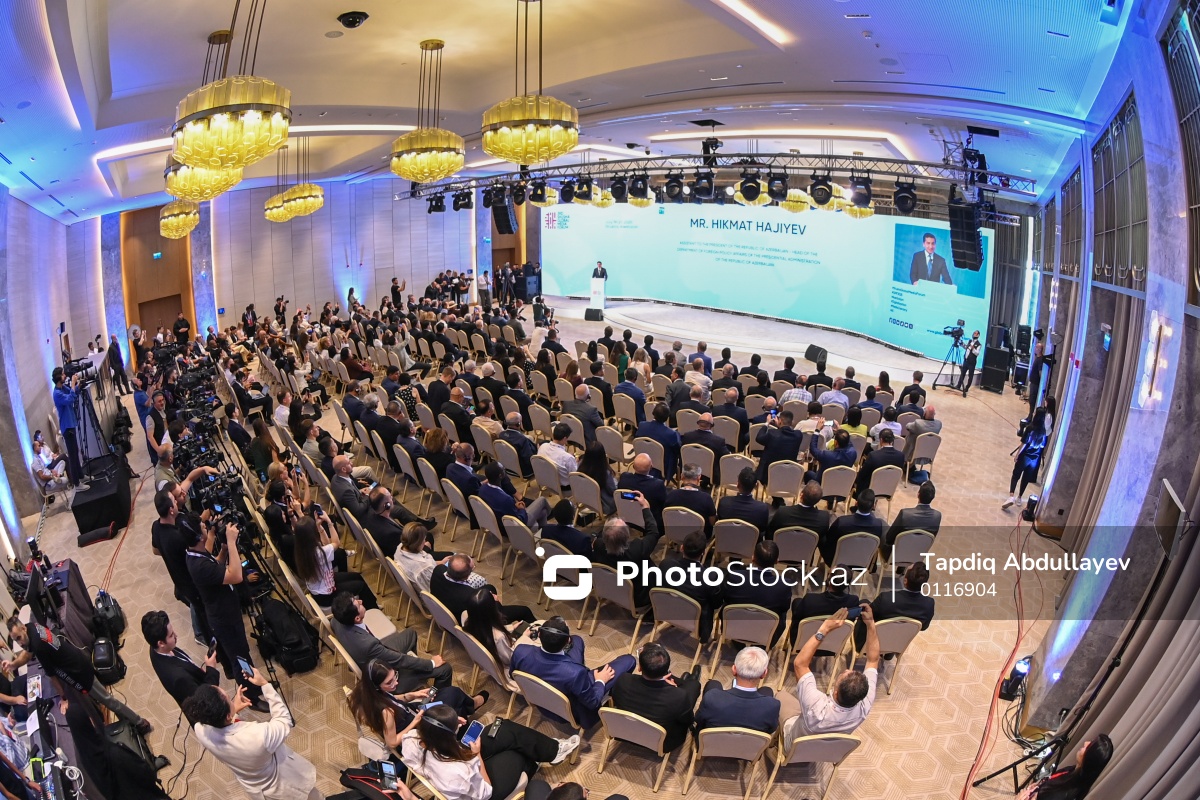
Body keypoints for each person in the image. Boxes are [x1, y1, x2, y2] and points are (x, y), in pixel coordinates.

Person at [185, 667, 320, 800]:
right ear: (227, 716)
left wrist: (233, 709)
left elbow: (223, 725)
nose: (231, 699)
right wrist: (264, 684)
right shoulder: (258, 736)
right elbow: (284, 721)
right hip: (283, 785)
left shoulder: (200, 730)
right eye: (229, 698)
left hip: (256, 788)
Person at [3, 615, 154, 734]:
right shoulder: (32, 627)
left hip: (79, 671)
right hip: (75, 661)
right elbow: (28, 653)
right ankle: (127, 723)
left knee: (108, 700)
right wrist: (13, 664)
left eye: (19, 638)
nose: (20, 643)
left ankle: (140, 722)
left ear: (23, 628)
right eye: (16, 640)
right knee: (102, 700)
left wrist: (63, 699)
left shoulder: (38, 646)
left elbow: (52, 675)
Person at [401, 702, 578, 800]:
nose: (460, 725)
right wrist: (477, 755)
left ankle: (553, 751)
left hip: (451, 756)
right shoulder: (457, 772)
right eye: (456, 727)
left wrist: (452, 727)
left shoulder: (410, 739)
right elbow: (486, 792)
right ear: (446, 736)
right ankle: (533, 763)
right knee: (515, 753)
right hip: (483, 789)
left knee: (503, 729)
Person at [185, 517, 267, 711]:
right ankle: (252, 698)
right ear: (198, 536)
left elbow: (216, 567)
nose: (206, 528)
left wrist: (223, 549)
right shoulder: (198, 564)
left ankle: (255, 685)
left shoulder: (196, 552)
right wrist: (231, 542)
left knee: (243, 653)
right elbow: (236, 576)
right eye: (203, 527)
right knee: (240, 659)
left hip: (226, 612)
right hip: (224, 619)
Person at [510, 616, 637, 729]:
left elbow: (513, 675)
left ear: (539, 634)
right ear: (567, 641)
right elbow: (592, 702)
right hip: (572, 713)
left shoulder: (520, 651)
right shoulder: (576, 673)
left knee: (578, 640)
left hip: (542, 704)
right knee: (629, 660)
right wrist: (600, 681)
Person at [777, 606, 879, 741]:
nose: (847, 670)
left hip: (794, 743)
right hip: (827, 749)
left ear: (835, 692)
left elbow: (800, 664)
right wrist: (871, 625)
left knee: (780, 696)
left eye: (843, 675)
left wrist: (824, 628)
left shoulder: (815, 705)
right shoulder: (864, 706)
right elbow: (873, 660)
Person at [330, 592, 455, 692]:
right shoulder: (368, 645)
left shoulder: (336, 620)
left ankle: (416, 673)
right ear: (357, 618)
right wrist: (431, 663)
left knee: (410, 634)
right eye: (358, 604)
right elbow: (400, 660)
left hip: (375, 656)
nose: (361, 601)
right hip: (384, 677)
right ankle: (438, 701)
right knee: (444, 669)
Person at [611, 642, 701, 753]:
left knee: (685, 691)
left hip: (623, 733)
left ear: (639, 668)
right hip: (662, 743)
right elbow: (688, 720)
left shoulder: (623, 680)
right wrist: (674, 690)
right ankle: (687, 680)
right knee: (694, 685)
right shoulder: (678, 696)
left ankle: (683, 680)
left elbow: (616, 700)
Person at [142, 610, 220, 715]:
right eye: (171, 635)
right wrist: (211, 670)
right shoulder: (179, 678)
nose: (176, 635)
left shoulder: (155, 648)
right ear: (161, 643)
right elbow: (205, 702)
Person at [294, 516, 378, 608]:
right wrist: (329, 522)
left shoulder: (302, 549)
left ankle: (367, 604)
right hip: (326, 595)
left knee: (358, 576)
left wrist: (319, 527)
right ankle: (373, 609)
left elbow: (326, 544)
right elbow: (336, 543)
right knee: (361, 586)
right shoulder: (318, 553)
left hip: (322, 586)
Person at [431, 554, 536, 625]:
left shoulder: (438, 569)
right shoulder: (471, 596)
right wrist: (495, 602)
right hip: (472, 621)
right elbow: (487, 613)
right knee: (524, 611)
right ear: (468, 575)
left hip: (445, 608)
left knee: (490, 587)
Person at [694, 647, 780, 734]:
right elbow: (771, 729)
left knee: (713, 684)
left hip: (711, 741)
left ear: (734, 669)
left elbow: (699, 719)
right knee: (767, 691)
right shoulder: (773, 705)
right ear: (764, 674)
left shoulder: (711, 697)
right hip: (751, 743)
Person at [723, 540, 792, 645]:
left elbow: (725, 598)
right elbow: (784, 608)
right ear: (777, 561)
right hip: (765, 635)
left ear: (753, 558)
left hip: (734, 629)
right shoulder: (784, 585)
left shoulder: (734, 577)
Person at [854, 562, 935, 650]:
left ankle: (858, 646)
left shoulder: (885, 598)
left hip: (872, 644)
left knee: (864, 605)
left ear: (905, 581)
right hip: (897, 645)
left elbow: (869, 617)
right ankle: (889, 653)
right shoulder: (929, 604)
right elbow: (923, 627)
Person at [1018, 734, 1114, 800]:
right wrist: (1039, 786)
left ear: (1090, 759)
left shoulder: (1060, 794)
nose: (1085, 743)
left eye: (1088, 747)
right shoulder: (1074, 772)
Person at [787, 571, 861, 647]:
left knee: (797, 602)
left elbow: (797, 623)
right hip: (833, 647)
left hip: (803, 644)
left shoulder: (810, 599)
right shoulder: (853, 602)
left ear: (829, 580)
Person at [882, 480, 942, 559]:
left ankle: (872, 565)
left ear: (918, 494)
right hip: (917, 555)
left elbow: (889, 538)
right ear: (933, 497)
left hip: (894, 556)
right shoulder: (937, 516)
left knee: (881, 525)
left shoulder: (905, 514)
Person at [822, 489, 883, 566]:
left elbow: (829, 538)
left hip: (837, 562)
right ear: (873, 506)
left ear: (856, 503)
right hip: (862, 563)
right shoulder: (878, 525)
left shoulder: (842, 522)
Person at [1005, 407, 1049, 510]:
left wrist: (1017, 455)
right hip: (1034, 458)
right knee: (1026, 478)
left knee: (1016, 475)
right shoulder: (1044, 431)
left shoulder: (1030, 428)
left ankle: (1011, 496)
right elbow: (1042, 445)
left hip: (1025, 456)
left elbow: (1024, 443)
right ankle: (1019, 497)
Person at [51, 367, 87, 488]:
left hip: (71, 423)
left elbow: (73, 393)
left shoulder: (63, 388)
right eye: (62, 374)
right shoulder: (57, 393)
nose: (65, 375)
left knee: (75, 452)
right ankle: (76, 483)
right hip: (67, 427)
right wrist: (72, 384)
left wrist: (78, 385)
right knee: (72, 456)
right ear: (58, 377)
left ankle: (81, 476)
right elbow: (70, 399)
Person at [616, 454, 667, 527]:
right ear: (651, 467)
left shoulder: (624, 478)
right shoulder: (658, 485)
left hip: (628, 517)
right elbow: (664, 504)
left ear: (633, 466)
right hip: (650, 521)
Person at [664, 464, 716, 534]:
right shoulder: (706, 498)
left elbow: (667, 517)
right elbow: (712, 522)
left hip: (675, 533)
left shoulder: (671, 495)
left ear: (682, 476)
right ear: (699, 478)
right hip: (698, 536)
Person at [756, 410, 803, 485]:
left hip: (769, 474)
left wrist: (767, 423)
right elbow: (783, 434)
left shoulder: (772, 433)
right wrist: (779, 426)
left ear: (780, 421)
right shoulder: (798, 435)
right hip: (789, 473)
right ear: (792, 422)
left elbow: (759, 438)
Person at [635, 403, 681, 480]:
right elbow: (678, 451)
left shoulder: (642, 426)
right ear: (667, 417)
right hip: (663, 467)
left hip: (643, 461)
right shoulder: (671, 434)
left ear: (653, 413)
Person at [717, 466, 770, 533]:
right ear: (755, 486)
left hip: (726, 537)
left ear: (738, 484)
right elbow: (762, 529)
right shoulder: (762, 509)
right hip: (751, 539)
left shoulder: (724, 503)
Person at [855, 428, 905, 494]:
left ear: (881, 440)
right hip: (889, 489)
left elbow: (863, 474)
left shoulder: (873, 455)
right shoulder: (901, 456)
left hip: (870, 489)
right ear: (893, 440)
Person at [958, 329, 982, 395]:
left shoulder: (979, 344)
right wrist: (962, 344)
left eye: (976, 333)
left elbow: (977, 353)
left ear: (978, 335)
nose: (974, 334)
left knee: (970, 376)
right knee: (962, 373)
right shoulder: (970, 341)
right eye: (974, 333)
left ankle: (967, 388)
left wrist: (973, 349)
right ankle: (958, 385)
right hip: (966, 361)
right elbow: (966, 348)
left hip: (972, 363)